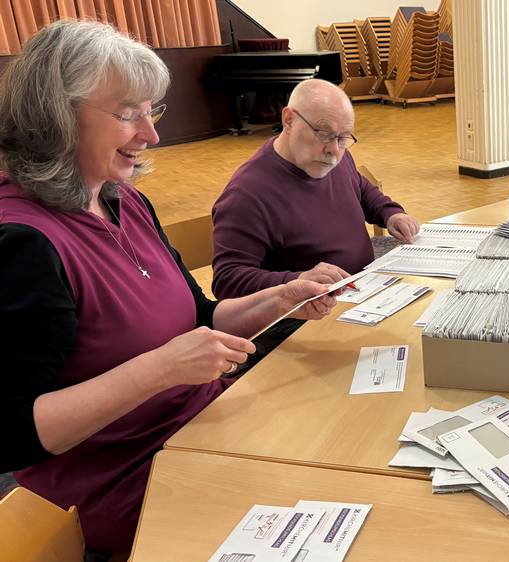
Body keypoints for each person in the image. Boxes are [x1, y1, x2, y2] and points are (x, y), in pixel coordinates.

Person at [0, 20, 336, 554]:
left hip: (204, 428)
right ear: (56, 116)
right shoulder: (23, 243)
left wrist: (283, 295)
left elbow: (197, 318)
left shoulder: (123, 198)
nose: (151, 134)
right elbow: (13, 433)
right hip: (127, 483)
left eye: (150, 110)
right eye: (127, 114)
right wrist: (159, 369)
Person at [211, 78, 420, 300]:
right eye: (323, 133)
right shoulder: (246, 194)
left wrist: (390, 213)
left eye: (343, 137)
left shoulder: (335, 157)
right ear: (289, 120)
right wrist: (298, 280)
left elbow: (360, 188)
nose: (334, 150)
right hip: (310, 310)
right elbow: (227, 280)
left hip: (364, 289)